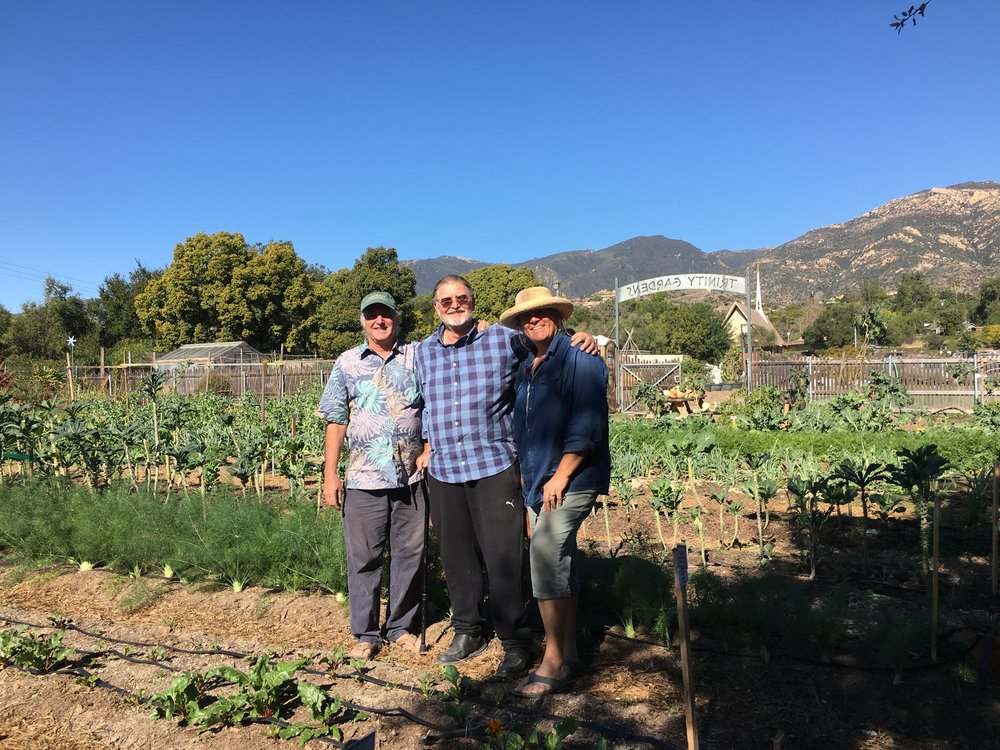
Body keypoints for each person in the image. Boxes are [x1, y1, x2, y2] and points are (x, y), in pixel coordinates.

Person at [414, 275, 597, 679]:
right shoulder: (422, 352)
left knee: (503, 556)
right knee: (456, 555)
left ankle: (514, 639)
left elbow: (552, 348)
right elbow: (424, 404)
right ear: (436, 307)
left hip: (493, 464)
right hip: (444, 469)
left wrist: (583, 338)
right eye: (446, 300)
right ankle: (468, 630)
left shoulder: (504, 340)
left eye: (462, 298)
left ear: (472, 301)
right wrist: (426, 444)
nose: (455, 305)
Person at [499, 287, 610, 697]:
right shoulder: (527, 364)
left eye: (543, 312)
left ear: (559, 316)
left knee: (546, 554)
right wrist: (529, 475)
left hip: (571, 478)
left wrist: (561, 476)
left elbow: (587, 425)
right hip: (538, 480)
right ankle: (571, 654)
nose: (534, 319)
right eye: (526, 316)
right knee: (559, 561)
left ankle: (553, 661)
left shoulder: (580, 357)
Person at [318, 291, 426, 660]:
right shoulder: (347, 362)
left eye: (386, 314)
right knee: (364, 557)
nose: (379, 321)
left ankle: (399, 627)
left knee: (410, 555)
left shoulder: (418, 356)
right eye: (372, 315)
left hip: (411, 478)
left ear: (397, 318)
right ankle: (365, 634)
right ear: (363, 321)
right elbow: (336, 419)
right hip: (364, 479)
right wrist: (330, 475)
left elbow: (434, 404)